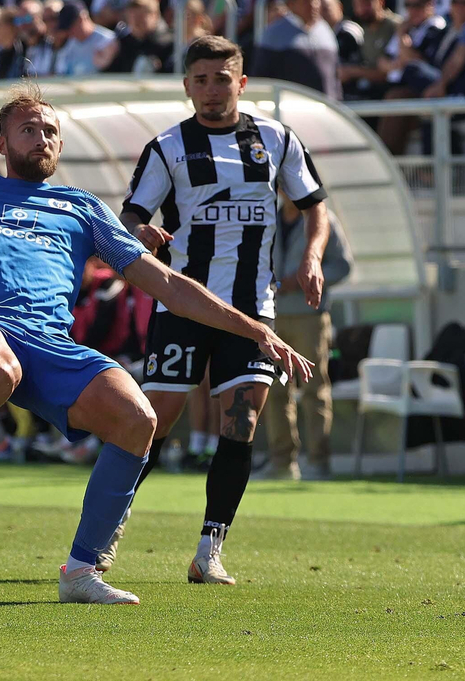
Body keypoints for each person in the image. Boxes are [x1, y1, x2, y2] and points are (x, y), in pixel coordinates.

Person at [0, 82, 311, 605]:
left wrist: (255, 328)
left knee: (138, 420)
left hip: (52, 344)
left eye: (50, 131)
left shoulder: (83, 208)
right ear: (3, 144)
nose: (41, 138)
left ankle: (79, 572)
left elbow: (167, 285)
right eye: (28, 130)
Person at [110, 34, 327, 584]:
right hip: (184, 301)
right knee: (152, 423)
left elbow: (314, 206)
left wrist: (313, 256)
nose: (211, 90)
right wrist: (144, 234)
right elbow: (129, 216)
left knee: (242, 421)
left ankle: (210, 549)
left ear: (241, 82)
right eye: (200, 80)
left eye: (221, 79)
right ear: (187, 86)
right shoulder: (168, 146)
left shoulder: (276, 139)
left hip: (255, 306)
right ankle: (107, 527)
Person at [263, 195, 352, 481]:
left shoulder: (322, 222)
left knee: (314, 389)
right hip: (271, 317)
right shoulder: (266, 219)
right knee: (275, 389)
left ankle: (318, 461)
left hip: (310, 317)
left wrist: (308, 276)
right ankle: (282, 462)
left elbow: (343, 266)